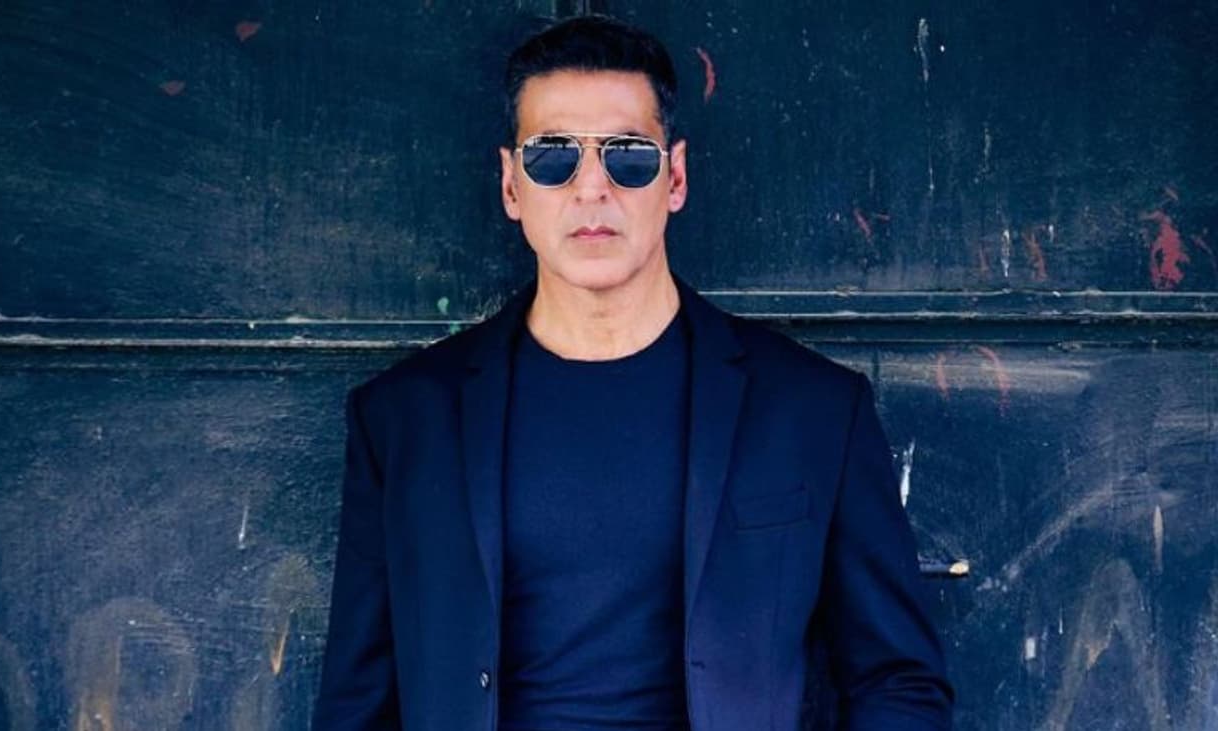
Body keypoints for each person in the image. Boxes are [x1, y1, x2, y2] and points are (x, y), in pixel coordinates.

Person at [314, 14, 953, 731]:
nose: (591, 188)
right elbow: (356, 703)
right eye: (552, 157)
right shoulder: (406, 420)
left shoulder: (812, 409)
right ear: (511, 185)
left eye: (628, 157)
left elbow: (898, 683)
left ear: (674, 177)